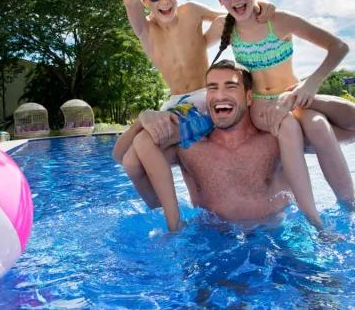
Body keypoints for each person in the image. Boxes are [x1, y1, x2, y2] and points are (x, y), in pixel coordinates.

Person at [120, 0, 275, 231]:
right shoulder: (146, 31)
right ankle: (165, 208)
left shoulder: (190, 12)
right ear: (145, 1)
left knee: (146, 145)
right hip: (175, 104)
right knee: (129, 161)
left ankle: (173, 224)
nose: (164, 0)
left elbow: (230, 15)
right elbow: (127, 0)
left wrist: (262, 6)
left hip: (202, 100)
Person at [210, 0, 355, 215]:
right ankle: (312, 216)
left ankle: (350, 208)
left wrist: (310, 85)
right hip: (263, 108)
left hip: (295, 97)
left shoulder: (278, 20)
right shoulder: (224, 26)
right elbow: (191, 42)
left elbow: (339, 47)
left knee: (320, 126)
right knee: (288, 126)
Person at [114, 60, 324, 229]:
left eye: (230, 86)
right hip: (213, 242)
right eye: (212, 88)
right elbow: (124, 159)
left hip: (278, 234)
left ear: (249, 97)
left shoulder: (277, 136)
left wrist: (304, 99)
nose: (220, 95)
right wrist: (141, 121)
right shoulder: (189, 147)